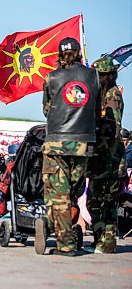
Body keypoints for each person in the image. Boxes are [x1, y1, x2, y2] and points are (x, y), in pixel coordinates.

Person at [36, 37, 100, 256]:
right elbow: (96, 109)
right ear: (79, 53)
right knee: (71, 193)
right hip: (83, 144)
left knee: (58, 194)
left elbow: (47, 110)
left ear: (60, 55)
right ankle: (55, 224)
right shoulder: (93, 76)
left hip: (56, 143)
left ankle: (64, 242)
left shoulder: (51, 77)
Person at [85, 57, 124, 253]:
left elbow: (113, 129)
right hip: (98, 159)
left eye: (100, 75)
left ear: (109, 76)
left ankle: (107, 243)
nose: (97, 78)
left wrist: (96, 128)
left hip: (110, 160)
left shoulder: (112, 96)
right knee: (93, 201)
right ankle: (98, 238)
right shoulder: (99, 95)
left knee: (107, 202)